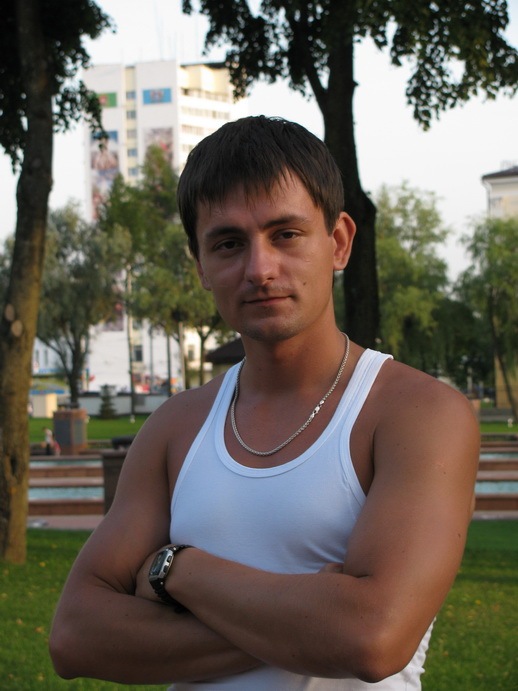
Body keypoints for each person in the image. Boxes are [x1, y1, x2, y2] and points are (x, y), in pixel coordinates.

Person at [49, 116, 479, 689]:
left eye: (286, 234)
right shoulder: (177, 427)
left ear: (339, 242)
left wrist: (175, 569)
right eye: (228, 244)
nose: (259, 269)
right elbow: (75, 636)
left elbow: (372, 639)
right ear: (201, 266)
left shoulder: (416, 415)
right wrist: (311, 620)